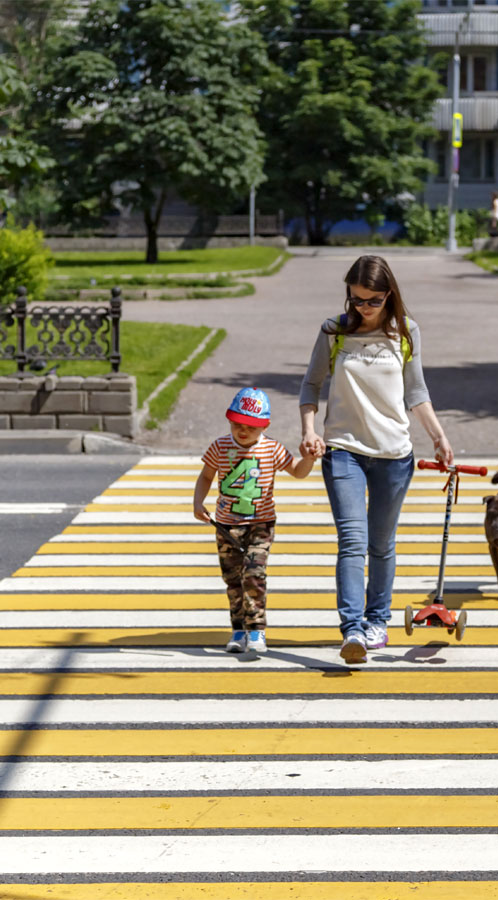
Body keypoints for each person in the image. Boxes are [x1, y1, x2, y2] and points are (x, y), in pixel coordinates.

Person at [299, 255, 454, 664]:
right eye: (356, 300)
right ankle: (352, 630)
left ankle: (377, 621)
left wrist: (438, 437)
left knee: (381, 544)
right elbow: (310, 386)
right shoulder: (333, 331)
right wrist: (309, 431)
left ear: (389, 295)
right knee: (353, 542)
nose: (362, 308)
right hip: (343, 450)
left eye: (372, 301)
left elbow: (416, 392)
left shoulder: (406, 332)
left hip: (393, 454)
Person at [193, 387, 315, 653]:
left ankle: (257, 630)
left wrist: (309, 459)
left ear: (265, 426)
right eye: (237, 425)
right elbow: (206, 476)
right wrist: (197, 502)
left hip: (261, 524)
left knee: (254, 573)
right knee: (233, 579)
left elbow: (297, 471)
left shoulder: (271, 448)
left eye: (251, 426)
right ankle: (238, 630)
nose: (243, 431)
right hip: (226, 526)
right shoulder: (220, 446)